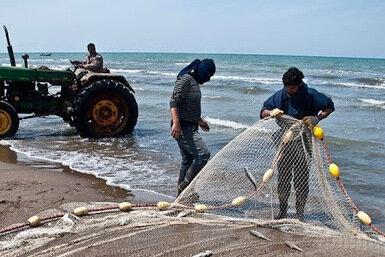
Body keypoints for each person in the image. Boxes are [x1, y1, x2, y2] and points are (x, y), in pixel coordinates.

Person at [260, 67, 334, 221]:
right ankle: (282, 211)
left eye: (292, 87)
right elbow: (263, 112)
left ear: (299, 85)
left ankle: (300, 214)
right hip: (285, 140)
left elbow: (329, 107)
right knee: (284, 177)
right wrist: (271, 112)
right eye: (287, 87)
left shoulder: (311, 94)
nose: (289, 90)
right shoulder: (281, 94)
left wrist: (317, 118)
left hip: (305, 140)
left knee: (301, 178)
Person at [170, 59, 216, 196]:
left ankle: (181, 197)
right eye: (208, 75)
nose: (208, 79)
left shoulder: (194, 82)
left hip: (190, 124)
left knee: (188, 160)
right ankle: (185, 187)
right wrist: (176, 123)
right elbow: (174, 101)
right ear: (201, 70)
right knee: (203, 155)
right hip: (183, 127)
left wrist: (199, 120)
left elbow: (188, 105)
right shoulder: (185, 80)